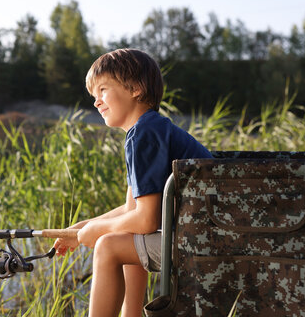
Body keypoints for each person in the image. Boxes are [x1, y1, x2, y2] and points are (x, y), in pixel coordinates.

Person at [53, 49, 212, 317]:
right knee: (120, 236)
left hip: (202, 242)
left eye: (103, 90)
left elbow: (146, 220)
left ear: (136, 89)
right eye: (94, 95)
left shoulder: (143, 134)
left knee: (108, 246)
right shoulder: (151, 128)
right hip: (207, 234)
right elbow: (132, 212)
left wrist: (97, 233)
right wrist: (81, 228)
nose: (96, 102)